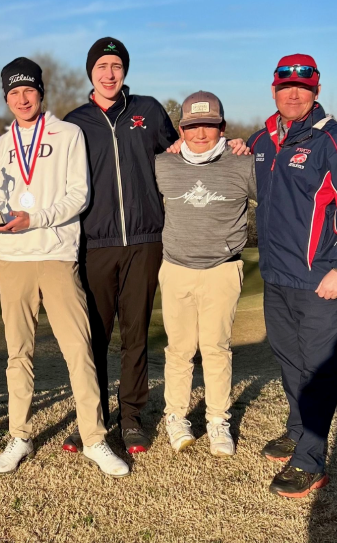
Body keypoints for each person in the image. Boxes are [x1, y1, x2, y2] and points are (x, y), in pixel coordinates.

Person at [63, 37, 248, 455]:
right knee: (93, 337)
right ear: (90, 72)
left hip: (147, 242)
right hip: (96, 243)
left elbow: (186, 152)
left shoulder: (147, 111)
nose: (109, 74)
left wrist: (233, 146)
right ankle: (90, 420)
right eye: (101, 66)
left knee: (135, 336)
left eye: (116, 66)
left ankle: (131, 419)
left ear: (124, 71)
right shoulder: (75, 121)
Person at [0, 57, 129, 477]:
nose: (22, 99)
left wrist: (34, 219)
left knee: (78, 348)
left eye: (28, 91)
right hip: (13, 258)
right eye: (14, 93)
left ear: (41, 93)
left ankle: (94, 438)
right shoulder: (0, 146)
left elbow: (79, 195)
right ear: (6, 98)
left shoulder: (68, 134)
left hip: (56, 254)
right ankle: (20, 436)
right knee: (18, 353)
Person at [249, 54, 337, 497]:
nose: (293, 94)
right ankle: (298, 428)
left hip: (320, 281)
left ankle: (310, 460)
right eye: (285, 86)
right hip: (276, 278)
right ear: (274, 90)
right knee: (289, 362)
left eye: (302, 87)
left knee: (318, 371)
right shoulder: (264, 140)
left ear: (316, 90)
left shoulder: (330, 140)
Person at [155, 91, 256, 456]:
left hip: (222, 272)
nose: (201, 134)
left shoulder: (244, 165)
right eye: (193, 126)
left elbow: (278, 205)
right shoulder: (163, 165)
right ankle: (176, 417)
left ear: (222, 128)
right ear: (181, 129)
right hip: (177, 269)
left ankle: (217, 421)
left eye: (209, 126)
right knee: (179, 351)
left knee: (216, 349)